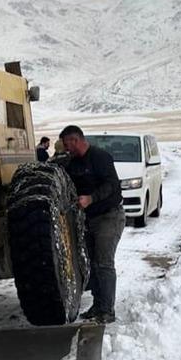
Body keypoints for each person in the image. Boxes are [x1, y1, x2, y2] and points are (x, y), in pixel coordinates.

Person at [58, 125, 124, 323]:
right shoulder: (72, 162)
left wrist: (91, 198)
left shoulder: (100, 157)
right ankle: (98, 305)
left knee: (104, 263)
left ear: (75, 140)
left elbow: (112, 185)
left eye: (66, 144)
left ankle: (107, 310)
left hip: (109, 217)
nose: (65, 148)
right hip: (89, 219)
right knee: (92, 264)